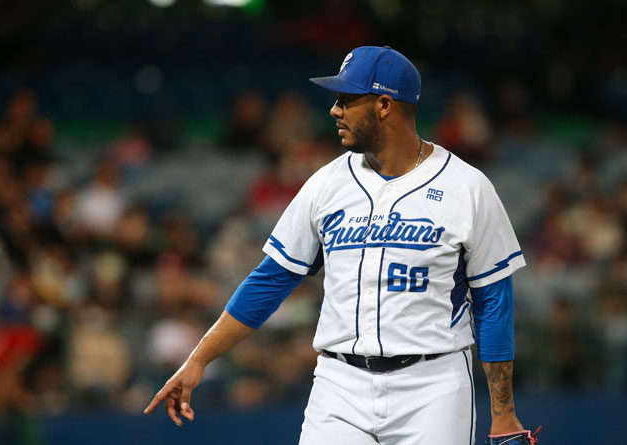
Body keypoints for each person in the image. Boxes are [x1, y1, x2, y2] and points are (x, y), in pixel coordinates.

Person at [145, 46, 533, 445]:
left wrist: (503, 412)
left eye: (347, 100)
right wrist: (198, 359)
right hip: (339, 385)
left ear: (384, 105)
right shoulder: (326, 184)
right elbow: (270, 281)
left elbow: (494, 302)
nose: (335, 110)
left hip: (433, 386)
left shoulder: (467, 188)